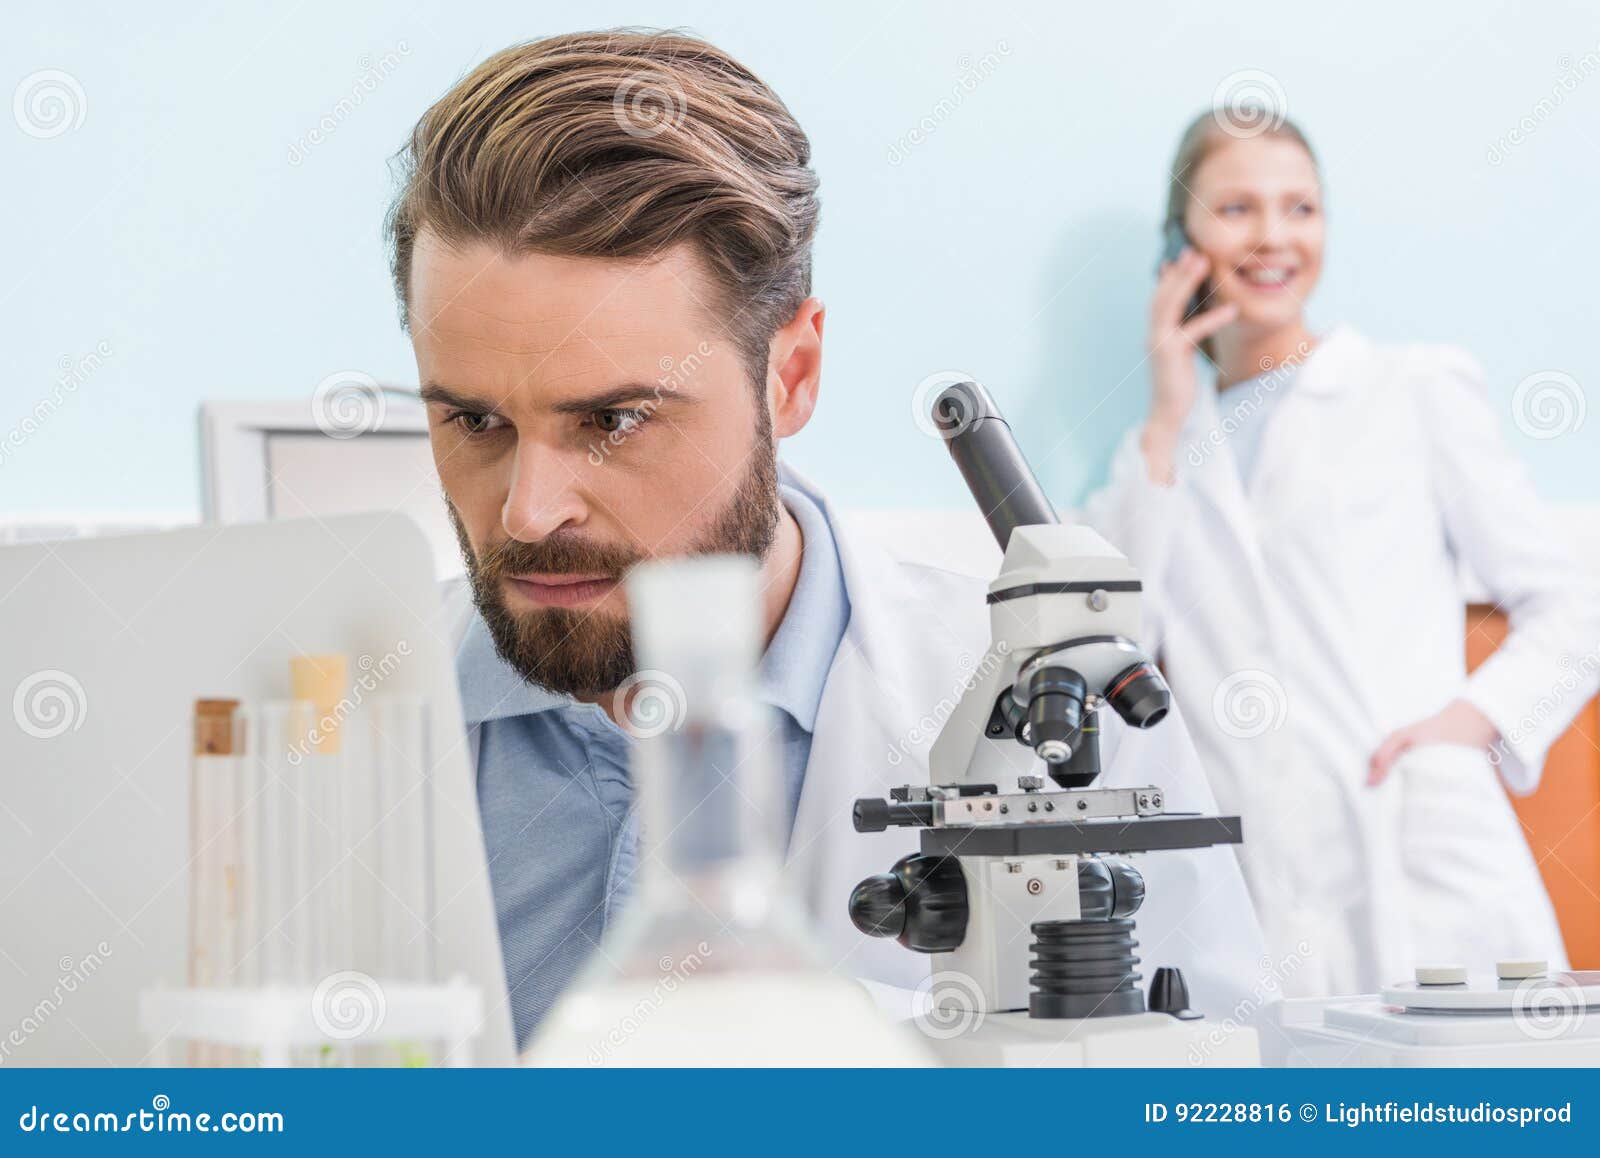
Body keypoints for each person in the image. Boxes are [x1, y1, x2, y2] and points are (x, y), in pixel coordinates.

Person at [385, 30, 1267, 1049]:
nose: (528, 513)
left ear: (790, 375)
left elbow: (1208, 1087)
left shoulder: (1052, 709)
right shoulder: (340, 727)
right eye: (474, 421)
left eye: (613, 421)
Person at [1084, 109, 1600, 997]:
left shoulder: (1412, 390)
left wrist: (1464, 729)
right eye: (1237, 209)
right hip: (1262, 894)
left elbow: (1576, 607)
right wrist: (1168, 409)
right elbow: (1111, 641)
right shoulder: (1165, 451)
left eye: (1301, 208)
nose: (1275, 236)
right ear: (1186, 240)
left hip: (1421, 855)